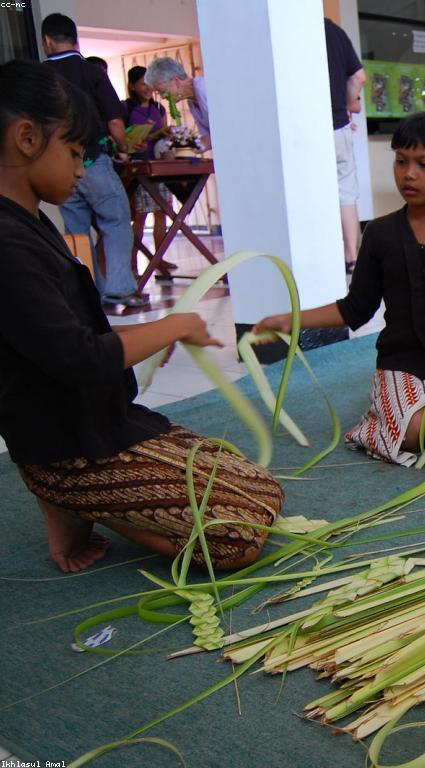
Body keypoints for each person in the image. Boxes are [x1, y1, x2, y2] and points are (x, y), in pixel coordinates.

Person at [0, 61, 283, 573]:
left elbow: (72, 333)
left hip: (103, 423)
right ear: (27, 138)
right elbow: (80, 357)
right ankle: (69, 498)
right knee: (234, 538)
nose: (81, 170)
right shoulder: (8, 244)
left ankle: (83, 501)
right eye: (74, 152)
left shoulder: (31, 223)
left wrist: (156, 334)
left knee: (261, 489)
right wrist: (174, 325)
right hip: (68, 447)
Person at [254, 112, 425, 467]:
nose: (409, 174)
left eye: (423, 164)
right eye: (401, 161)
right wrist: (289, 320)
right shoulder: (379, 233)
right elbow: (356, 308)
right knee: (410, 434)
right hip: (401, 363)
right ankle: (413, 408)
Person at [41, 13, 143, 308]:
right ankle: (120, 288)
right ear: (76, 40)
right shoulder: (91, 72)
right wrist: (123, 148)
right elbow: (115, 122)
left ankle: (89, 294)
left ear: (47, 40)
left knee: (76, 233)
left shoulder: (40, 76)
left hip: (59, 166)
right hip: (94, 160)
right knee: (116, 220)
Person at [324, 18, 366, 274]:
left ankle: (322, 256)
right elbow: (358, 77)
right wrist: (349, 103)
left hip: (303, 131)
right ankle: (352, 258)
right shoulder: (334, 32)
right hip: (338, 126)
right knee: (346, 192)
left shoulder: (288, 28)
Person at [122, 65, 172, 272]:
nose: (148, 87)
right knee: (140, 216)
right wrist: (131, 144)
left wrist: (168, 135)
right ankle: (132, 264)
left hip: (158, 167)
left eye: (150, 82)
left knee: (162, 214)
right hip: (138, 168)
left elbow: (164, 134)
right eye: (143, 83)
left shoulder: (159, 108)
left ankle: (159, 260)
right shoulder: (125, 109)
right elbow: (120, 138)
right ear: (132, 86)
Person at [144, 56, 212, 150]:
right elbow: (208, 139)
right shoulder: (191, 102)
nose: (162, 97)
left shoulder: (205, 88)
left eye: (162, 91)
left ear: (176, 81)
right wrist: (182, 143)